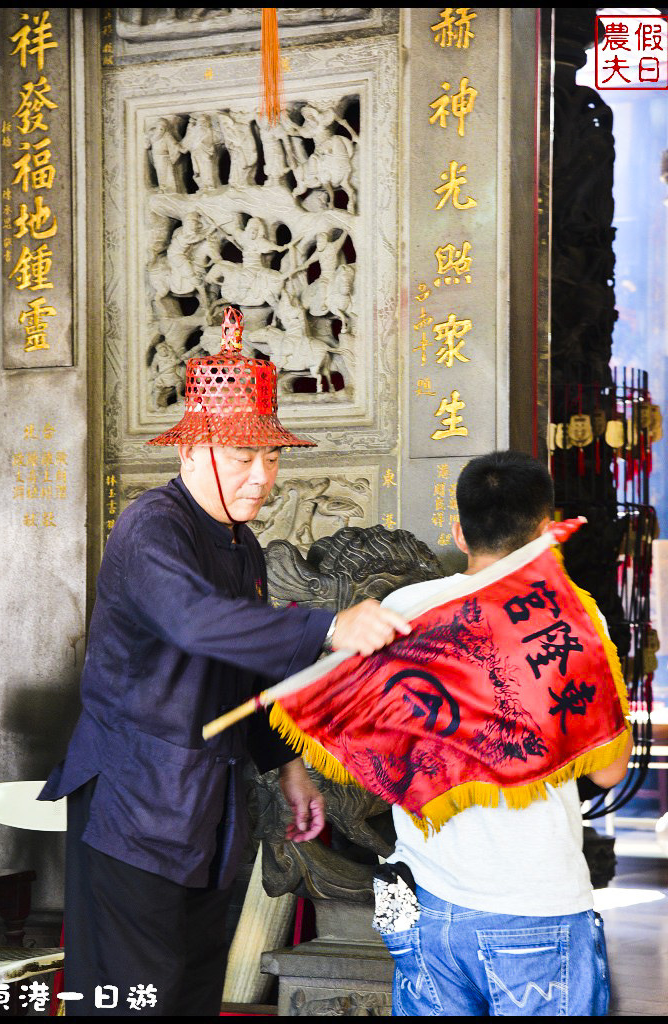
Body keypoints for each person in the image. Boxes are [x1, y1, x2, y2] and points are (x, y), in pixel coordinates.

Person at [38, 306, 409, 1016]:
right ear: (190, 452)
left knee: (193, 988)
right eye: (243, 458)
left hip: (207, 810)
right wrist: (331, 625)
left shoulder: (239, 542)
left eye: (272, 457)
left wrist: (289, 765)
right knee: (128, 998)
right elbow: (197, 623)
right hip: (134, 806)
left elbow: (246, 668)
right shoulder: (153, 525)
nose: (262, 477)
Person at [378, 450, 633, 1017]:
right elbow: (609, 769)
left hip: (424, 903)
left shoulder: (399, 610)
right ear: (547, 530)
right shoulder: (565, 622)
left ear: (459, 531)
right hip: (533, 902)